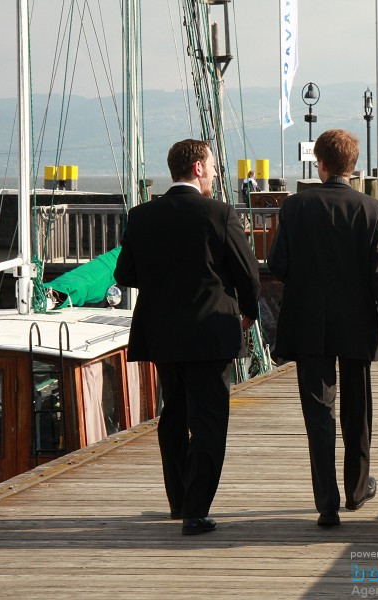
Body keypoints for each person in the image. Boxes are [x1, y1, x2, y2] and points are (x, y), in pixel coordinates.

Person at [114, 139, 260, 536]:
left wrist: (162, 283)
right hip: (211, 330)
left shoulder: (141, 216)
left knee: (174, 414)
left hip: (162, 332)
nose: (215, 173)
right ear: (198, 168)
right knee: (209, 421)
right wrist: (248, 310)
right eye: (212, 166)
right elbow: (248, 274)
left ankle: (178, 500)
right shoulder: (220, 213)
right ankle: (196, 511)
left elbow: (124, 275)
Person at [267, 128, 378, 528]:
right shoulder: (371, 210)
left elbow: (278, 264)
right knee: (358, 410)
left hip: (309, 322)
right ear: (353, 165)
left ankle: (326, 502)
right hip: (358, 323)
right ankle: (358, 490)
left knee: (318, 411)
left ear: (320, 164)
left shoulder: (294, 208)